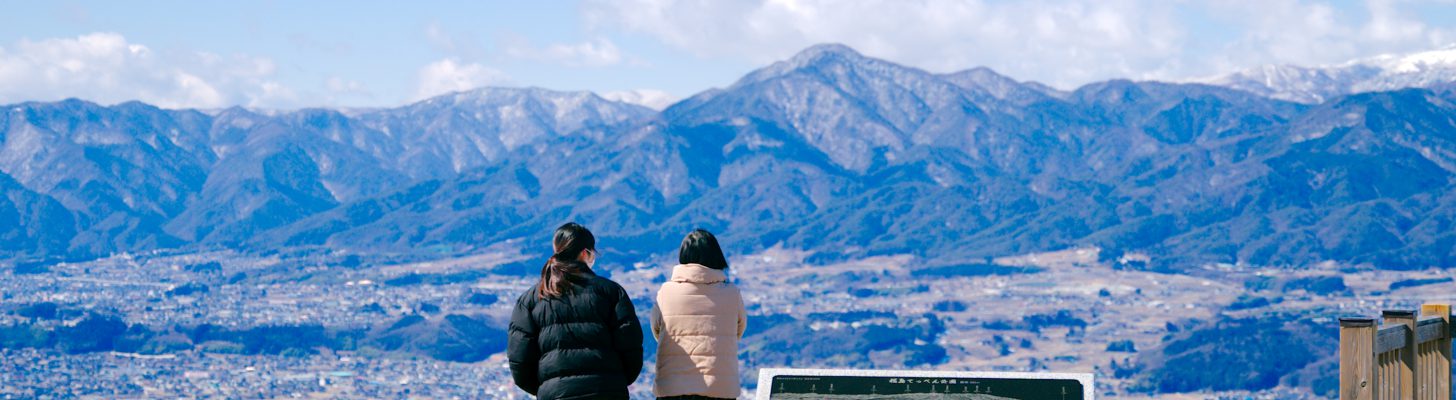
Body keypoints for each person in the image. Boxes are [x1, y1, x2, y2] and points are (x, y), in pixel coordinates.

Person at [508, 223, 643, 400]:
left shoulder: (532, 299)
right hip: (606, 390)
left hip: (556, 393)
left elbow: (520, 359)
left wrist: (548, 386)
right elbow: (631, 346)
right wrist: (615, 380)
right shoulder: (611, 292)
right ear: (586, 253)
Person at [650, 229, 747, 400]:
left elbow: (657, 331)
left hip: (673, 388)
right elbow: (738, 331)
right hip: (719, 388)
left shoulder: (666, 292)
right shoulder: (732, 293)